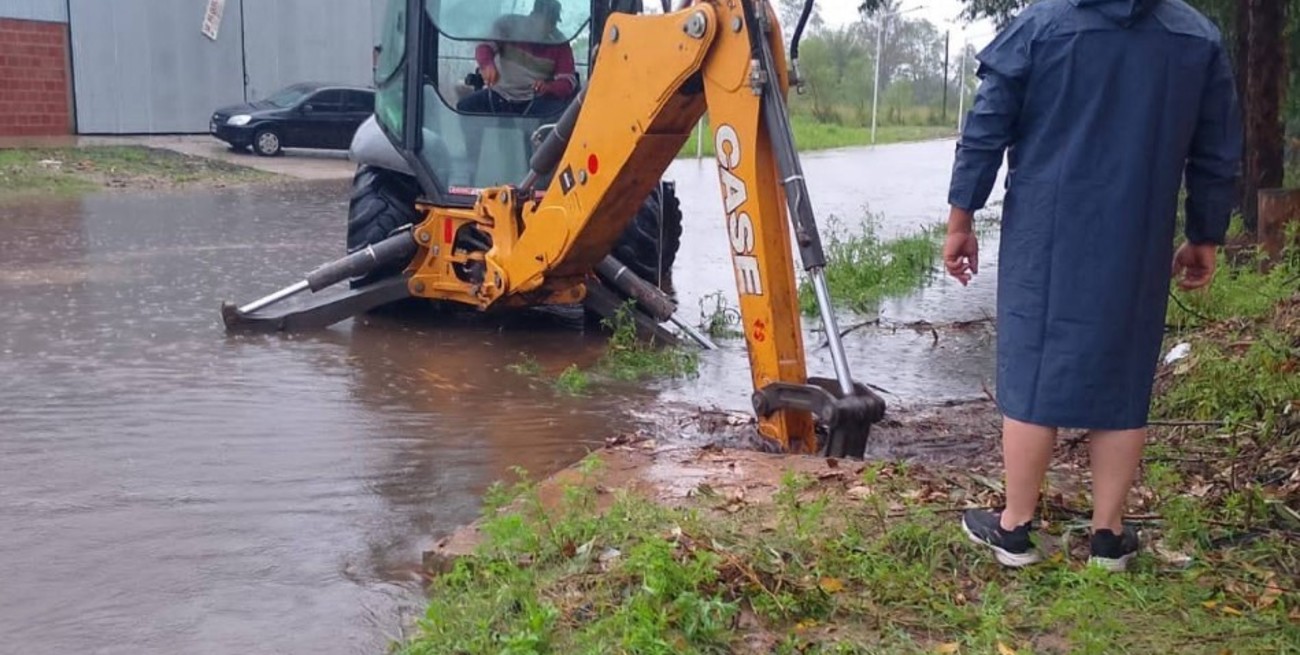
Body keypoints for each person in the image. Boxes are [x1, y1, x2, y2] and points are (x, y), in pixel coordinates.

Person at [944, 0, 1242, 571]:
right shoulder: (1195, 38)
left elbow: (986, 128)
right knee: (1124, 374)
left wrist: (962, 219)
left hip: (1044, 233)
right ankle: (1108, 537)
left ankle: (1015, 528)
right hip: (1139, 234)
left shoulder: (1039, 27)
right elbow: (1216, 151)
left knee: (1033, 369)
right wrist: (1206, 232)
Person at [456, 0, 577, 118]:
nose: (550, 27)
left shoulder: (560, 44)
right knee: (465, 107)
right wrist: (487, 64)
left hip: (536, 99)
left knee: (560, 117)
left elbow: (568, 82)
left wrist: (549, 87)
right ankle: (472, 139)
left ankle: (537, 139)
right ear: (533, 15)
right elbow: (484, 46)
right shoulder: (508, 25)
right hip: (500, 94)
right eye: (546, 21)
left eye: (553, 22)